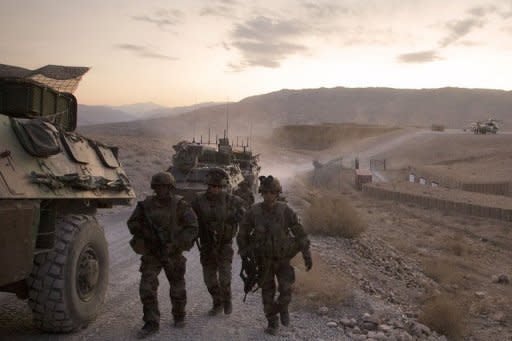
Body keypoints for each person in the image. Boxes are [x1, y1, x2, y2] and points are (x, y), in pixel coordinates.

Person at [238, 175, 313, 336]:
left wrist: (307, 254)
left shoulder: (285, 211)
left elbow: (300, 233)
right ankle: (272, 322)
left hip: (283, 260)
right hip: (264, 262)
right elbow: (242, 232)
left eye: (272, 192)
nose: (268, 195)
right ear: (262, 193)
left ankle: (282, 308)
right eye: (265, 192)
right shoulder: (254, 211)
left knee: (286, 291)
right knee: (267, 294)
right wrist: (244, 253)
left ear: (277, 193)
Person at [127, 172, 198, 339]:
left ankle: (179, 315)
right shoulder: (145, 205)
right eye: (157, 187)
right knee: (147, 287)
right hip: (152, 253)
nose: (160, 190)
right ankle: (151, 322)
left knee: (177, 287)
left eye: (164, 187)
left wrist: (177, 243)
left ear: (170, 187)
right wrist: (145, 232)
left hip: (172, 253)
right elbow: (132, 223)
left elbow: (193, 227)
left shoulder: (180, 205)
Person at [191, 168, 245, 316]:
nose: (215, 189)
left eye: (218, 187)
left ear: (223, 187)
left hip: (224, 245)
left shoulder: (232, 201)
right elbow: (188, 219)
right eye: (212, 186)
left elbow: (246, 219)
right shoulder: (198, 200)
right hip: (207, 246)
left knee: (225, 278)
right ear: (208, 185)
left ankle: (227, 299)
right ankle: (217, 302)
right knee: (209, 280)